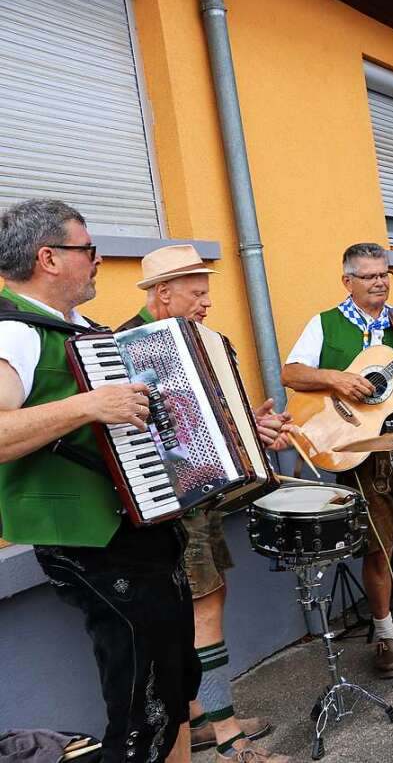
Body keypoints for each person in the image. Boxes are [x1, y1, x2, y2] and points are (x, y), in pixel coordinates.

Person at [0, 199, 197, 762]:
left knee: (173, 688)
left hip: (139, 527)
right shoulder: (14, 333)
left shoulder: (83, 330)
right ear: (49, 258)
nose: (98, 259)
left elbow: (129, 419)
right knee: (142, 708)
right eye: (87, 249)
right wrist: (88, 405)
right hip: (91, 540)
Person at [118, 245, 291, 763]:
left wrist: (255, 429)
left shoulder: (210, 344)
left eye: (207, 291)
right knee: (203, 612)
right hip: (168, 505)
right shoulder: (123, 348)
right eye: (197, 292)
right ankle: (229, 738)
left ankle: (198, 715)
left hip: (206, 501)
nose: (207, 302)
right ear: (162, 293)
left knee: (208, 605)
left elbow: (220, 421)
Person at [281, 242, 393, 679]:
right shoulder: (325, 324)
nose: (380, 282)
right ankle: (384, 633)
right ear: (348, 281)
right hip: (359, 452)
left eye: (385, 274)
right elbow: (291, 373)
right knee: (377, 549)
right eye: (370, 276)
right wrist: (335, 378)